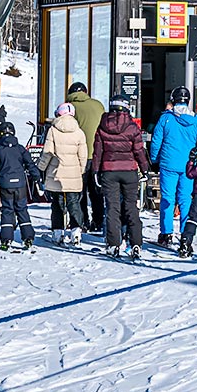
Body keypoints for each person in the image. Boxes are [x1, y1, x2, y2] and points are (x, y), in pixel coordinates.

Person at [150, 86, 197, 247]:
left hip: (168, 164)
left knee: (167, 199)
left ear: (173, 100)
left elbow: (156, 140)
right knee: (185, 199)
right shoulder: (196, 120)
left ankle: (166, 233)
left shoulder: (166, 118)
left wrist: (154, 160)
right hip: (189, 166)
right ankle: (186, 235)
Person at [93, 94, 150, 259]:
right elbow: (139, 151)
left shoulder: (102, 125)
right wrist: (145, 169)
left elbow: (97, 152)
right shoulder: (132, 127)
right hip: (129, 172)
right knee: (131, 207)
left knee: (112, 208)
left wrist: (95, 171)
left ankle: (113, 244)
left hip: (109, 171)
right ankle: (136, 243)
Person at [0, 121, 42, 250]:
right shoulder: (20, 148)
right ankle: (28, 237)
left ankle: (6, 239)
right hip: (20, 184)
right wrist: (37, 179)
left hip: (6, 184)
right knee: (22, 209)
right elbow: (30, 164)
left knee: (7, 210)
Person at [41, 101, 88, 246]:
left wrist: (41, 168)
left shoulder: (53, 130)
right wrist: (80, 170)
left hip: (56, 174)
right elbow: (83, 156)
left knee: (57, 204)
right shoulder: (79, 132)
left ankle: (58, 233)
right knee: (74, 203)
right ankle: (76, 232)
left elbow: (47, 153)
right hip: (73, 173)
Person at [67, 82, 106, 232]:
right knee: (96, 191)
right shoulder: (98, 105)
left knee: (80, 191)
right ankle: (98, 221)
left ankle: (82, 221)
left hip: (78, 156)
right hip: (97, 154)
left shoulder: (70, 107)